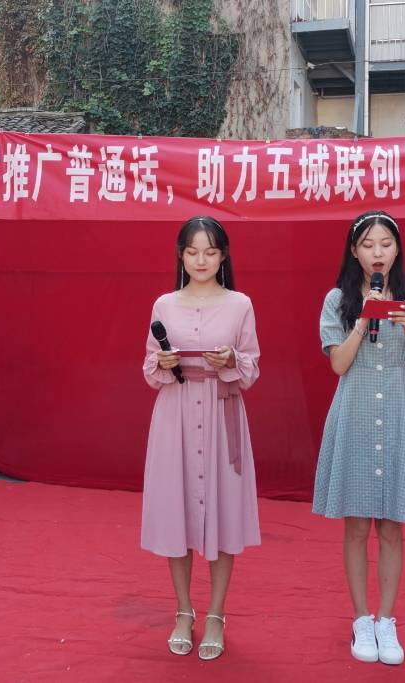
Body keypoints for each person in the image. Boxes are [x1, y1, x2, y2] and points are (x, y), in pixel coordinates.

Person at [313, 210, 405, 666]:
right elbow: (338, 364)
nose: (378, 252)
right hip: (355, 417)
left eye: (385, 243)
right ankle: (361, 618)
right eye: (368, 245)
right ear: (354, 252)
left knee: (391, 527)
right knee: (356, 525)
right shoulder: (337, 300)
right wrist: (362, 319)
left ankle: (387, 619)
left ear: (397, 249)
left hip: (399, 417)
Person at [141, 216, 261, 661]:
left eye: (210, 252)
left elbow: (251, 367)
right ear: (181, 256)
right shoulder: (164, 304)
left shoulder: (240, 304)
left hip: (220, 411)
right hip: (174, 413)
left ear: (223, 256)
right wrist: (163, 362)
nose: (201, 260)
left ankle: (215, 614)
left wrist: (230, 360)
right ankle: (182, 610)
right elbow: (149, 367)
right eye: (192, 252)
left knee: (222, 513)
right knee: (176, 511)